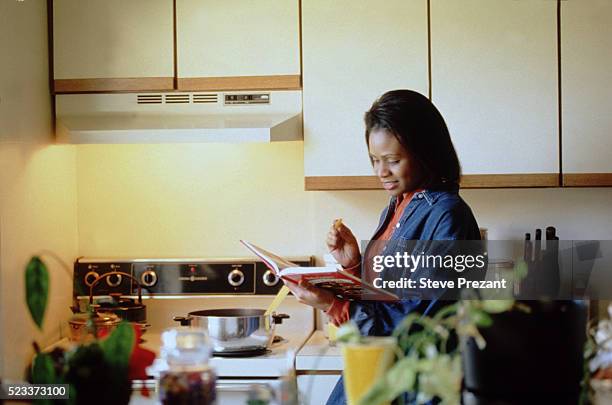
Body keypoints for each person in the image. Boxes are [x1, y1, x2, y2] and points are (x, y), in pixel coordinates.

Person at [284, 89, 480, 404]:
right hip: (376, 369)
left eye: (393, 160)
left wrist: (332, 305)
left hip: (412, 384)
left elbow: (417, 321)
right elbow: (389, 295)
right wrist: (352, 265)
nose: (381, 172)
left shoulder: (448, 215)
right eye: (375, 160)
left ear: (426, 153)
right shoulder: (397, 204)